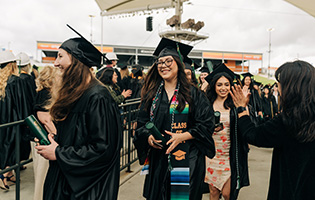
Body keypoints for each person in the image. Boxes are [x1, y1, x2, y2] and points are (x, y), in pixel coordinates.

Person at [35, 25, 122, 200]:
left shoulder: (98, 97)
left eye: (60, 56)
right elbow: (77, 137)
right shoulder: (77, 93)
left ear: (76, 61)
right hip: (66, 182)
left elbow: (103, 149)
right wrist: (55, 139)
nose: (55, 63)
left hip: (87, 189)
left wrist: (59, 153)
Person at [134, 38, 215, 200]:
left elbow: (207, 124)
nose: (163, 65)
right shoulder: (151, 96)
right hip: (159, 160)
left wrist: (183, 136)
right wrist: (148, 138)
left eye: (168, 61)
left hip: (188, 160)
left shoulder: (194, 94)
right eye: (159, 62)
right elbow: (141, 125)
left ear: (178, 63)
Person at [230, 60, 315, 199]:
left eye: (280, 82)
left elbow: (253, 135)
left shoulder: (287, 120)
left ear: (291, 86)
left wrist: (241, 109)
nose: (278, 86)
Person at [204, 63, 249, 200]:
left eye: (226, 84)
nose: (223, 88)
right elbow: (201, 127)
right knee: (213, 192)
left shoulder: (236, 105)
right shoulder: (207, 105)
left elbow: (246, 126)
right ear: (214, 87)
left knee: (228, 193)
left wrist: (244, 107)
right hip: (212, 155)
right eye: (219, 85)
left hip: (230, 155)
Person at [0, 51, 29, 190]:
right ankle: (3, 176)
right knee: (11, 148)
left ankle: (8, 174)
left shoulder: (2, 81)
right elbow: (21, 104)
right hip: (12, 121)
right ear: (12, 65)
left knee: (4, 148)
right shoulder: (15, 81)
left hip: (2, 122)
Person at [31, 65, 57, 200]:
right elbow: (45, 119)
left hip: (44, 141)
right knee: (43, 178)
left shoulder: (41, 92)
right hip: (45, 141)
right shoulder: (45, 94)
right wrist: (57, 135)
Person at [16, 52, 37, 165]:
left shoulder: (14, 79)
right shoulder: (28, 79)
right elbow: (32, 97)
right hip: (27, 113)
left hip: (16, 114)